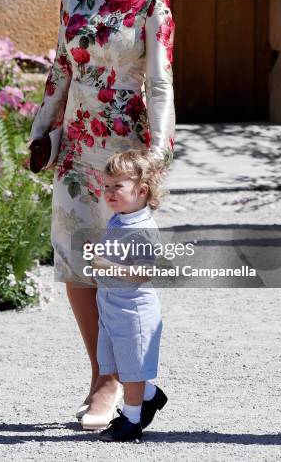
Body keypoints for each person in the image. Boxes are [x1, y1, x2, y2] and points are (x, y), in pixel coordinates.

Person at [29, 0, 175, 427]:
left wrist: (156, 157)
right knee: (74, 263)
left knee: (119, 270)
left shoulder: (152, 3)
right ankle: (101, 377)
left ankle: (121, 381)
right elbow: (61, 68)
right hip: (75, 147)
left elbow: (161, 85)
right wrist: (42, 131)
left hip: (123, 154)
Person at [84, 149, 168, 442]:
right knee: (118, 365)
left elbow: (144, 272)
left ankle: (131, 420)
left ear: (141, 190)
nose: (109, 192)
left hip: (134, 312)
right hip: (112, 308)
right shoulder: (120, 219)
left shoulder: (143, 228)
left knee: (131, 367)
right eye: (106, 186)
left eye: (117, 186)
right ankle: (150, 394)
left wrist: (106, 265)